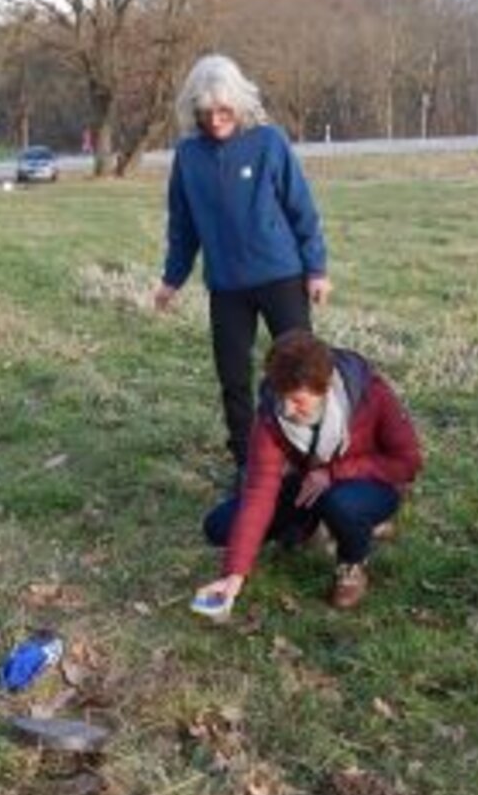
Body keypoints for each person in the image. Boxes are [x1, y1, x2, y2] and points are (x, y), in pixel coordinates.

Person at [155, 55, 331, 477]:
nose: (215, 121)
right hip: (227, 286)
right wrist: (171, 279)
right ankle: (249, 467)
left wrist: (317, 268)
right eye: (205, 112)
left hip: (281, 277)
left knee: (298, 372)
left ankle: (313, 458)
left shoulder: (269, 142)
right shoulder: (188, 155)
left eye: (224, 111)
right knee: (233, 378)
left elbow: (300, 208)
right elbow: (183, 224)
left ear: (238, 104)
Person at [195, 331, 421, 612]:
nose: (287, 409)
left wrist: (335, 472)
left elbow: (407, 462)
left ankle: (352, 564)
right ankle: (314, 526)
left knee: (342, 504)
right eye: (282, 397)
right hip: (309, 483)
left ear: (325, 387)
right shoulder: (272, 414)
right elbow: (259, 491)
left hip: (370, 483)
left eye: (298, 401)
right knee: (219, 526)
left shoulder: (372, 394)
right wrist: (234, 575)